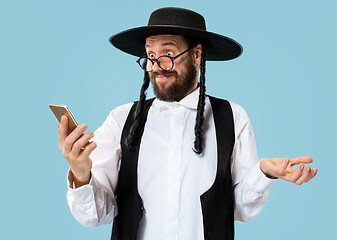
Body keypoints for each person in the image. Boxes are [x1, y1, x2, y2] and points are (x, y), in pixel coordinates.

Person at [57, 7, 318, 240]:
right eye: (150, 54)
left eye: (168, 53)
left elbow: (238, 210)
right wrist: (81, 173)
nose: (157, 65)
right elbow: (94, 216)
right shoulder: (122, 119)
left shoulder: (232, 117)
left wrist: (264, 173)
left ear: (196, 55)